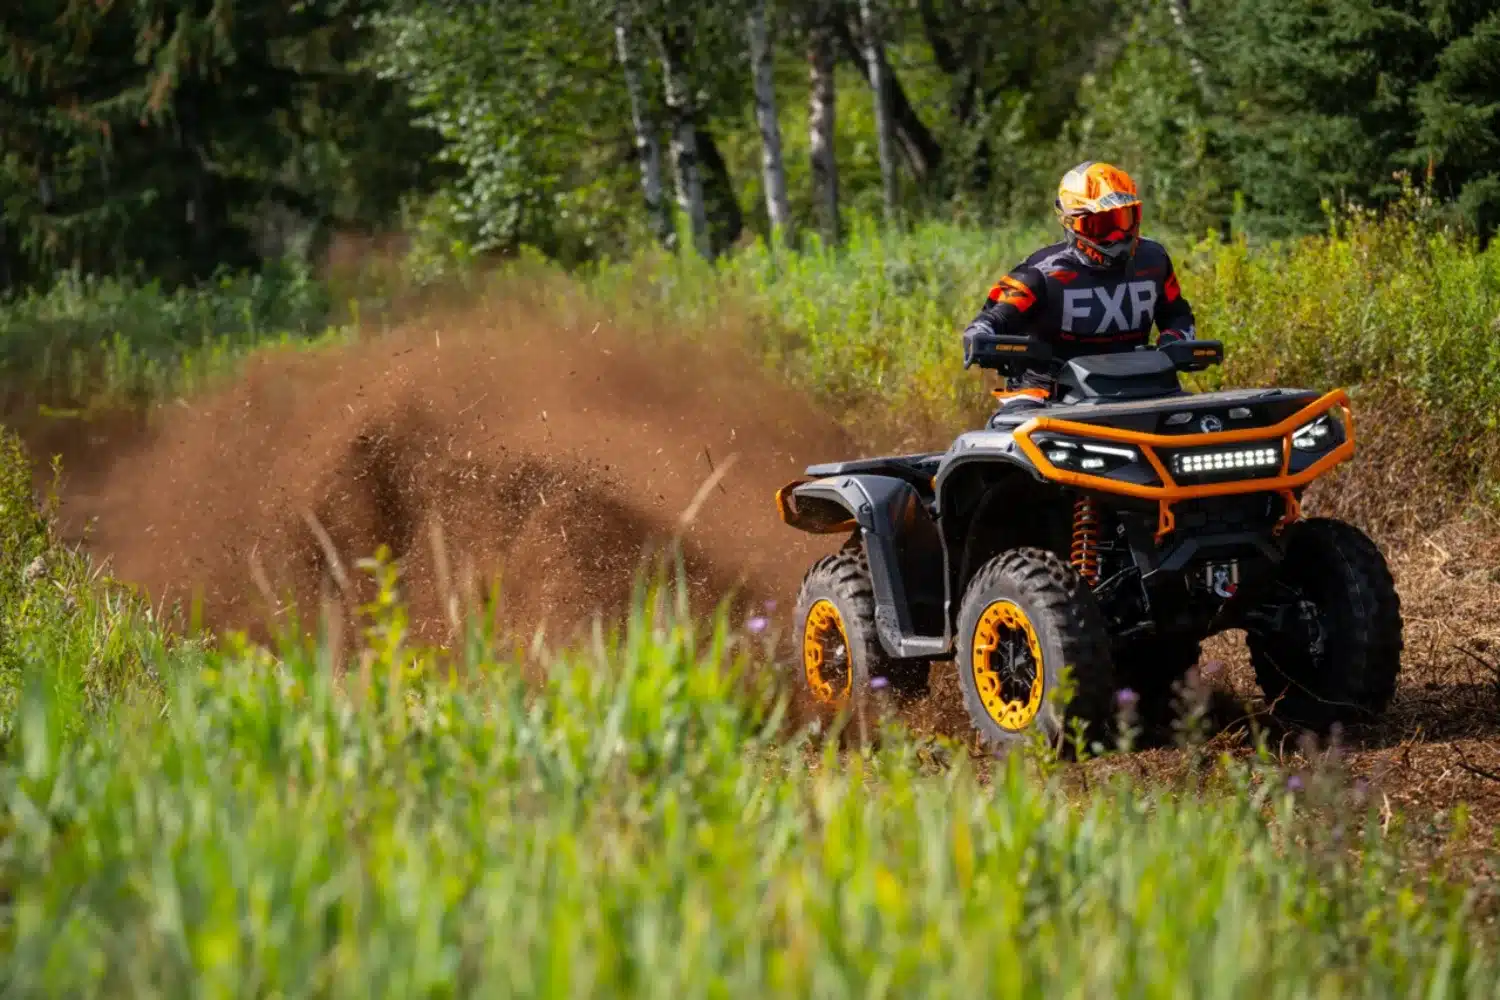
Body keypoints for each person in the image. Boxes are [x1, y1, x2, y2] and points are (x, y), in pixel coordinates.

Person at [961, 161, 1197, 407]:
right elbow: (990, 320)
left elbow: (1177, 314)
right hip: (1045, 396)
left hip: (1141, 388)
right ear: (1072, 223)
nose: (1118, 235)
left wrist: (1175, 340)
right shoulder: (1040, 273)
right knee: (1013, 426)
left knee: (1203, 422)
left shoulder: (1154, 260)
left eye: (1124, 219)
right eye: (1103, 225)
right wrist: (980, 339)